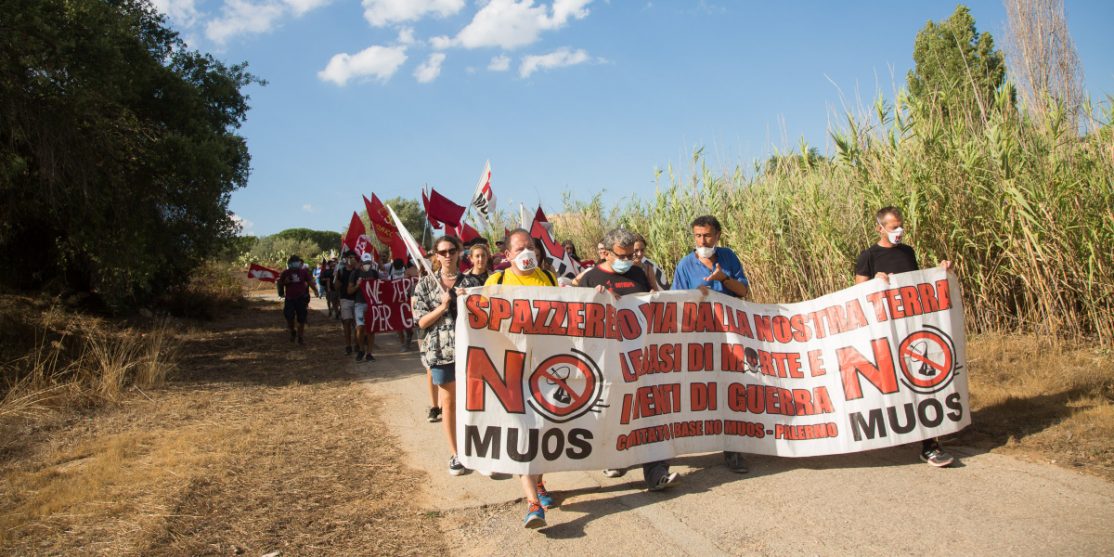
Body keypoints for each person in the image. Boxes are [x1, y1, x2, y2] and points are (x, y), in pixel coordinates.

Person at [579, 228, 680, 491]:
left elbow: (655, 305)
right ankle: (617, 459)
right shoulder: (591, 279)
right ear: (607, 253)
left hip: (642, 357)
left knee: (650, 412)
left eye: (630, 255)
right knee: (617, 412)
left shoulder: (639, 273)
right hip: (610, 358)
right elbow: (580, 323)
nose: (627, 260)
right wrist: (597, 301)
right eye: (621, 256)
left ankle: (656, 471)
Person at [854, 206, 955, 467]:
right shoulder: (868, 256)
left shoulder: (907, 252)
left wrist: (940, 272)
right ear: (880, 228)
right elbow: (857, 295)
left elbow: (917, 282)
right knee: (891, 383)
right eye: (893, 227)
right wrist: (874, 282)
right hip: (885, 332)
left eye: (900, 226)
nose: (898, 231)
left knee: (920, 381)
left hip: (911, 328)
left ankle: (930, 444)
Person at [484, 229, 559, 528]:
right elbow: (479, 314)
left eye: (531, 247)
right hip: (510, 367)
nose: (528, 252)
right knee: (521, 431)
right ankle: (532, 503)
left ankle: (540, 484)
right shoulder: (497, 281)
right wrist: (465, 299)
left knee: (545, 430)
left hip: (546, 366)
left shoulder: (549, 279)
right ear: (508, 255)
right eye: (520, 248)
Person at [671, 215, 752, 473]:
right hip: (700, 336)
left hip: (729, 336)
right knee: (704, 390)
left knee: (732, 388)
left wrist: (723, 279)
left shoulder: (728, 257)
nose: (702, 240)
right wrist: (696, 298)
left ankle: (734, 449)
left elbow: (743, 291)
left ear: (717, 235)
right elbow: (676, 301)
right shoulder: (685, 264)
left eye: (706, 235)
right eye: (697, 236)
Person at [412, 235, 468, 476]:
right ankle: (456, 453)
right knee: (449, 403)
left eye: (452, 250)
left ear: (459, 252)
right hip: (441, 351)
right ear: (435, 255)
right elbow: (421, 321)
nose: (448, 255)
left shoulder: (470, 281)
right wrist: (443, 307)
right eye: (443, 252)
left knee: (474, 402)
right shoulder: (425, 285)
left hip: (471, 351)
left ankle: (477, 450)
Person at [277, 255, 318, 345]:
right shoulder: (286, 273)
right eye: (294, 262)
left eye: (297, 262)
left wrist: (315, 290)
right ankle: (292, 331)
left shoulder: (303, 272)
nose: (296, 264)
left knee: (301, 319)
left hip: (301, 298)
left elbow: (310, 281)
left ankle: (300, 337)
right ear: (290, 263)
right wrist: (285, 282)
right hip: (289, 299)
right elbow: (279, 283)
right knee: (289, 317)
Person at [349, 252, 379, 362]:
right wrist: (358, 285)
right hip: (359, 303)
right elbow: (349, 290)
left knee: (371, 329)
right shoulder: (355, 273)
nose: (367, 264)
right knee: (360, 327)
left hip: (372, 304)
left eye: (369, 262)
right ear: (361, 262)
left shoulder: (374, 273)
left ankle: (369, 353)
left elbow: (379, 288)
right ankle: (361, 349)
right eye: (365, 262)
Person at [333, 251, 359, 356]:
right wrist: (336, 277)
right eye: (350, 257)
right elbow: (336, 287)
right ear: (346, 258)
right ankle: (348, 346)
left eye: (354, 257)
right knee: (347, 323)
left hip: (357, 300)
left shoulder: (358, 271)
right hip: (345, 300)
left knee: (357, 325)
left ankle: (357, 344)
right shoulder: (341, 271)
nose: (352, 259)